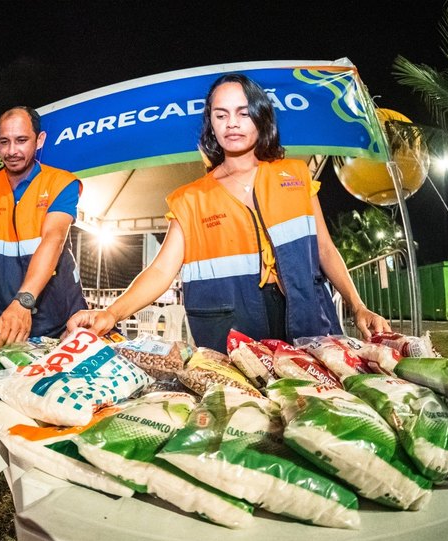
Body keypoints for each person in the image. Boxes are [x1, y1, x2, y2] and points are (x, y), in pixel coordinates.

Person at [67, 74, 390, 351]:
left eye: (242, 113)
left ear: (260, 117)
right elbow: (161, 272)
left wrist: (357, 306)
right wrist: (111, 313)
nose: (232, 123)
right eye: (221, 116)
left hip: (309, 324)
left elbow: (324, 249)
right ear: (211, 125)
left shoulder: (295, 175)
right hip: (234, 338)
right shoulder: (190, 199)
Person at [0, 106, 88, 345]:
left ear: (39, 140)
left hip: (65, 323)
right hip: (8, 326)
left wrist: (23, 302)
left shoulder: (61, 183)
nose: (12, 151)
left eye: (21, 140)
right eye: (4, 142)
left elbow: (53, 241)